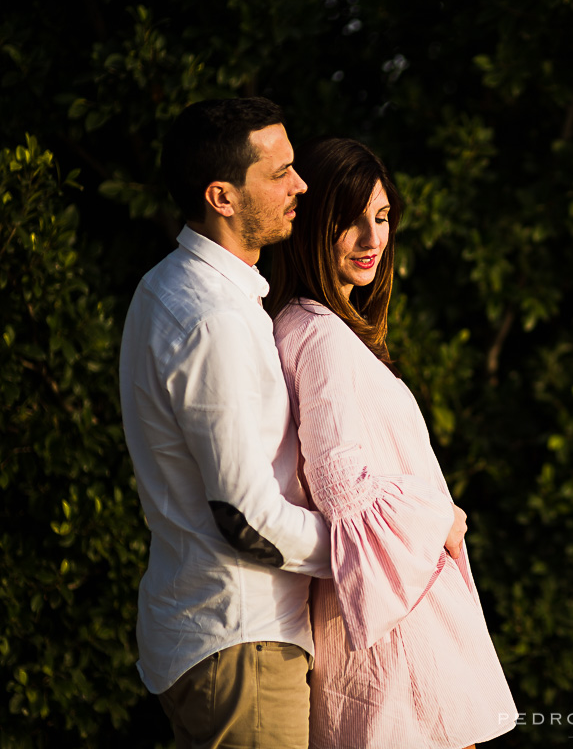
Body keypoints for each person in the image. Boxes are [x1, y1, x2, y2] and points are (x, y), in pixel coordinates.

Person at [265, 137, 518, 749]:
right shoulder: (320, 336)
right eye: (348, 220)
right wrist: (441, 516)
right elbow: (340, 486)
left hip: (391, 617)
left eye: (380, 218)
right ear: (312, 225)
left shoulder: (310, 328)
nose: (371, 239)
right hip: (398, 630)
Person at [119, 97, 333, 749]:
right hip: (242, 647)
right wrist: (373, 552)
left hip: (222, 642)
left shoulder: (172, 287)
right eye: (280, 173)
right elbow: (247, 519)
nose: (300, 185)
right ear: (223, 196)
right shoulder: (213, 318)